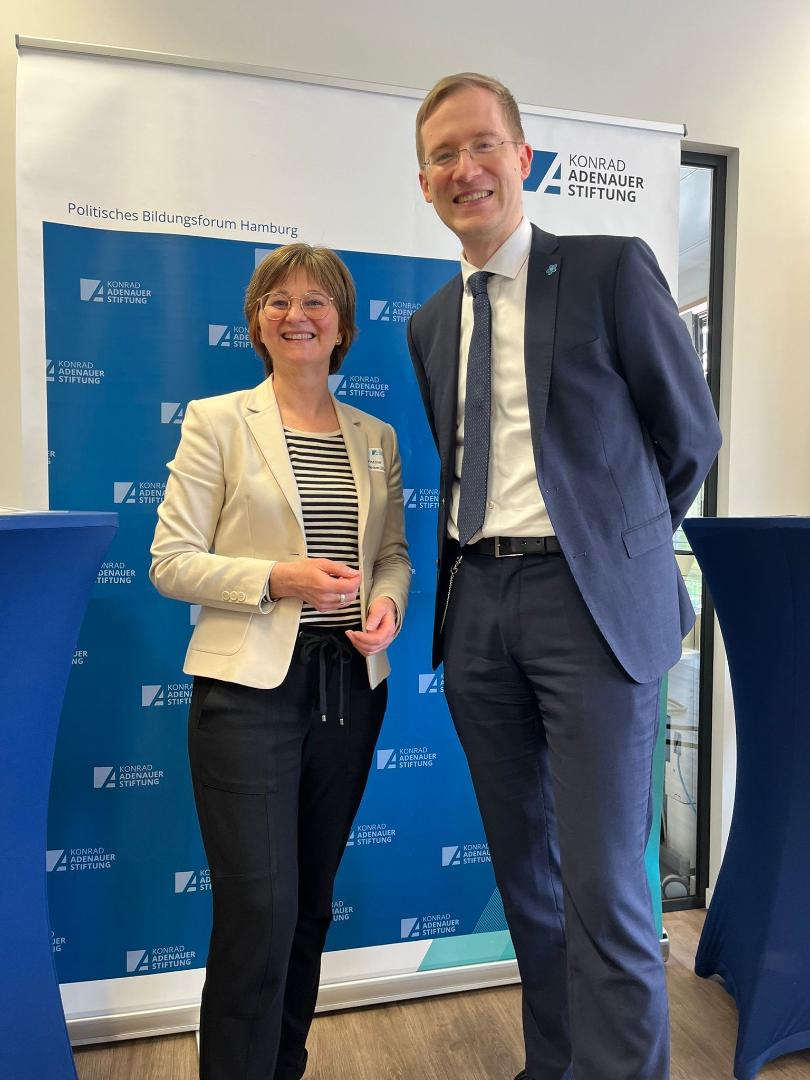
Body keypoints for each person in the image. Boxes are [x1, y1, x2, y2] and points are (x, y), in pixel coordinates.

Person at [407, 73, 722, 1080]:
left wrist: (613, 548)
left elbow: (690, 435)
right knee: (528, 884)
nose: (465, 168)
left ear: (523, 157)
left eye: (482, 145)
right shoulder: (429, 324)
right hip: (477, 609)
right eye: (443, 155)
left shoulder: (606, 269)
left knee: (605, 889)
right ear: (425, 183)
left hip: (589, 609)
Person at [150, 243, 411, 1080]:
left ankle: (282, 1067)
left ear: (343, 324)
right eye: (278, 301)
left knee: (307, 908)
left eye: (316, 301)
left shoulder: (376, 437)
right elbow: (170, 563)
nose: (297, 315)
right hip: (247, 694)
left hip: (350, 691)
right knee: (258, 912)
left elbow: (393, 554)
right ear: (257, 322)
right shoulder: (217, 421)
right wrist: (278, 578)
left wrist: (389, 604)